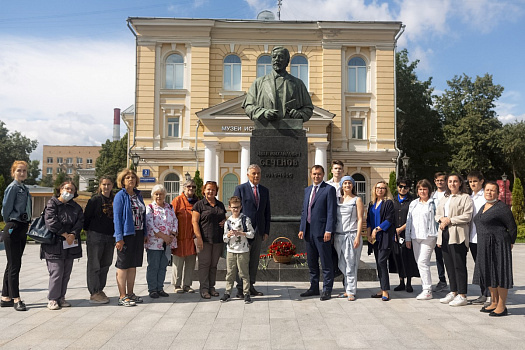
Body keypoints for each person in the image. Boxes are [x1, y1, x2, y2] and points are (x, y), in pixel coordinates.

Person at [473, 181, 517, 317]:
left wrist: (510, 242)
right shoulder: (484, 206)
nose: (489, 192)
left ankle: (502, 306)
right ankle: (494, 301)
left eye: (492, 190)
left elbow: (512, 227)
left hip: (498, 244)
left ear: (498, 193)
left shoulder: (501, 208)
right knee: (488, 272)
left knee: (499, 273)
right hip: (484, 244)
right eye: (487, 190)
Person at [242, 46, 313, 125]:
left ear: (287, 61)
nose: (277, 59)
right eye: (274, 57)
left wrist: (299, 114)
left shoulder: (298, 84)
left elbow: (308, 108)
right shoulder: (258, 83)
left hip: (291, 130)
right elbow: (248, 106)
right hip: (265, 129)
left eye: (281, 57)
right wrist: (263, 113)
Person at [42, 181, 83, 310]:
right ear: (60, 190)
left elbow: (80, 221)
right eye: (66, 188)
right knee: (56, 272)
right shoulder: (52, 203)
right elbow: (50, 221)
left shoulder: (76, 207)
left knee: (66, 272)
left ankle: (61, 297)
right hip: (54, 244)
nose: (69, 191)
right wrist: (65, 234)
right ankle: (53, 299)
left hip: (70, 244)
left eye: (72, 189)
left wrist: (73, 234)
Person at [298, 165, 337, 301]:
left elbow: (331, 212)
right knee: (312, 262)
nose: (316, 176)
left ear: (323, 174)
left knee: (326, 262)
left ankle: (327, 289)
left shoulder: (329, 190)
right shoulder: (307, 190)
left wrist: (328, 230)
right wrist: (302, 228)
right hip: (309, 233)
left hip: (322, 233)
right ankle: (314, 287)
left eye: (319, 174)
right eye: (314, 174)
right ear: (310, 174)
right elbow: (305, 211)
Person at [233, 164, 271, 298]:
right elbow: (236, 210)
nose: (256, 176)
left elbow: (267, 212)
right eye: (254, 173)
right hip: (243, 233)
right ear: (248, 175)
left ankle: (250, 286)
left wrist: (266, 231)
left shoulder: (265, 191)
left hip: (258, 231)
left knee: (254, 261)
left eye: (258, 173)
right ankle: (240, 289)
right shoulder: (240, 189)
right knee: (242, 261)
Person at [435, 173, 473, 307]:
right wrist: (441, 219)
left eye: (455, 181)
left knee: (459, 265)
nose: (452, 184)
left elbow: (467, 216)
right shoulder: (445, 198)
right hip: (444, 234)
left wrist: (449, 220)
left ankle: (462, 294)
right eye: (450, 181)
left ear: (460, 183)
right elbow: (437, 213)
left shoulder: (465, 198)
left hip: (458, 235)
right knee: (449, 265)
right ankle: (453, 291)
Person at [1, 161, 32, 311]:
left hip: (22, 226)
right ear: (13, 172)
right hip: (13, 226)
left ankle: (5, 296)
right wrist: (11, 224)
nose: (22, 173)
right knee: (15, 265)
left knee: (13, 262)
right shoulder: (13, 187)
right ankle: (16, 299)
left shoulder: (25, 188)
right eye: (19, 170)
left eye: (24, 171)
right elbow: (5, 209)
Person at [113, 168, 146, 307]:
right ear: (122, 181)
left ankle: (131, 293)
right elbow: (117, 217)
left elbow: (143, 215)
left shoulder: (138, 196)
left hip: (138, 234)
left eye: (133, 177)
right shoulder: (120, 196)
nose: (131, 179)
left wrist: (144, 234)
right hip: (126, 235)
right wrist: (119, 238)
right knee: (123, 265)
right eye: (127, 178)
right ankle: (122, 296)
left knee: (133, 265)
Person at [192, 181, 227, 299]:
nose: (210, 191)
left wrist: (225, 222)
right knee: (204, 264)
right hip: (204, 239)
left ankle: (212, 287)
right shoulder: (199, 205)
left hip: (217, 239)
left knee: (213, 264)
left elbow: (224, 218)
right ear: (204, 191)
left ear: (216, 191)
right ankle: (204, 289)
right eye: (208, 189)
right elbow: (194, 222)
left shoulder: (220, 205)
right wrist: (199, 238)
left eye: (213, 189)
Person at [83, 175, 115, 304]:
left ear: (112, 186)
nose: (106, 187)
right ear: (100, 186)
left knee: (106, 264)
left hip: (110, 236)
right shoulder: (95, 200)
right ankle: (94, 291)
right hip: (96, 236)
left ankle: (100, 289)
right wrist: (89, 233)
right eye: (104, 184)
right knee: (94, 265)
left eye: (108, 184)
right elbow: (86, 218)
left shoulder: (114, 199)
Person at [405, 179, 438, 300]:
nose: (422, 191)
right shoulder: (414, 203)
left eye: (424, 189)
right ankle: (425, 286)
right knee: (419, 263)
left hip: (428, 236)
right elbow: (409, 221)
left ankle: (427, 290)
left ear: (429, 190)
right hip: (415, 237)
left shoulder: (433, 203)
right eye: (420, 189)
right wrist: (408, 237)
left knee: (423, 262)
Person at [221, 196, 255, 304]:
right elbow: (224, 238)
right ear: (229, 208)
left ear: (241, 207)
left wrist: (242, 233)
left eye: (237, 207)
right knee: (230, 273)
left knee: (244, 273)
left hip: (243, 250)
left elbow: (252, 234)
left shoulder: (245, 219)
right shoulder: (228, 222)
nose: (235, 210)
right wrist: (229, 235)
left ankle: (246, 293)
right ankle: (227, 292)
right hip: (231, 251)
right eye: (233, 207)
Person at [334, 175, 363, 301]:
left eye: (349, 183)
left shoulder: (357, 200)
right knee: (342, 264)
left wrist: (358, 236)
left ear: (353, 185)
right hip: (338, 235)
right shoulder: (338, 200)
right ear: (341, 185)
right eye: (345, 183)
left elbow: (360, 218)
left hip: (351, 235)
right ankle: (347, 289)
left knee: (351, 264)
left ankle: (351, 291)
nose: (347, 185)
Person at [145, 185, 178, 299]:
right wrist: (164, 236)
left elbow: (175, 220)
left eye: (161, 194)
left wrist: (172, 234)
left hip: (167, 242)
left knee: (163, 266)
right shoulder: (150, 208)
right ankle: (153, 289)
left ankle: (160, 288)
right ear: (153, 195)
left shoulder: (169, 207)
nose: (159, 196)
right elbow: (150, 225)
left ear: (165, 195)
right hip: (154, 243)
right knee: (153, 266)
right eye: (156, 194)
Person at [367, 180, 395, 301]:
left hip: (384, 237)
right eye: (378, 188)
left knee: (382, 262)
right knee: (379, 263)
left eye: (383, 188)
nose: (380, 190)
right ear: (374, 189)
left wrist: (376, 229)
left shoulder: (388, 203)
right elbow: (368, 220)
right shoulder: (372, 204)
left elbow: (389, 220)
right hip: (375, 239)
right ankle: (382, 288)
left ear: (386, 190)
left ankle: (385, 291)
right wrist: (368, 234)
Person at [392, 178, 419, 293]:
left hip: (407, 234)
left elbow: (413, 218)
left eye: (405, 187)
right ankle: (401, 281)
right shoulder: (393, 200)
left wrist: (400, 229)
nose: (402, 189)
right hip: (394, 234)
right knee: (397, 257)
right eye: (400, 186)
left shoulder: (412, 201)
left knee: (407, 258)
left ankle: (409, 283)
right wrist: (394, 231)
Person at [171, 179, 198, 294]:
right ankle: (177, 285)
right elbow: (171, 217)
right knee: (178, 263)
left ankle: (187, 285)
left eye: (193, 187)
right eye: (188, 186)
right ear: (184, 188)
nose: (190, 189)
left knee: (190, 263)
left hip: (192, 238)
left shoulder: (198, 202)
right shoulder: (177, 201)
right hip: (179, 237)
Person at [467, 171, 489, 305]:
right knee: (478, 266)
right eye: (470, 182)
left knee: (486, 266)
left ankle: (490, 293)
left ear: (481, 181)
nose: (472, 184)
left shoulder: (485, 196)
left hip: (483, 236)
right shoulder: (469, 197)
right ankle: (483, 293)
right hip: (472, 237)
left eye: (475, 181)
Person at [431, 172, 448, 293]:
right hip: (435, 230)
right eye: (437, 180)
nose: (440, 182)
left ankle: (454, 280)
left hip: (447, 228)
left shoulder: (450, 194)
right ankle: (442, 280)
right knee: (438, 257)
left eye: (442, 180)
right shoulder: (432, 195)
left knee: (449, 256)